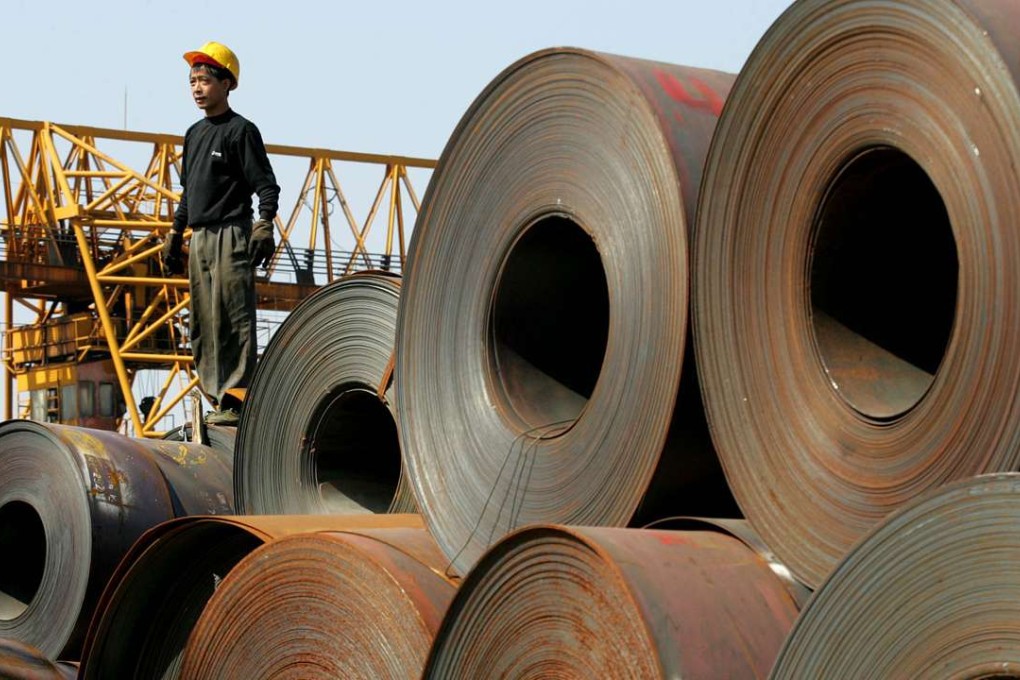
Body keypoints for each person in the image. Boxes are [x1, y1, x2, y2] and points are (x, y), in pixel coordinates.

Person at [162, 41, 280, 425]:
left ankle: (237, 399)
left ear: (227, 84)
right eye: (192, 81)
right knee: (203, 322)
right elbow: (188, 193)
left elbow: (266, 185)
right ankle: (216, 401)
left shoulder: (241, 131)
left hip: (231, 234)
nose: (197, 88)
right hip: (199, 239)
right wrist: (175, 235)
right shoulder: (193, 135)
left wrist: (264, 224)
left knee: (233, 319)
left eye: (205, 81)